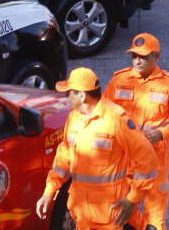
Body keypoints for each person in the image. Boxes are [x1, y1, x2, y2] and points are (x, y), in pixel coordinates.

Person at [34, 67, 159, 230]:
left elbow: (147, 159)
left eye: (69, 92)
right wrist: (48, 192)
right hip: (82, 214)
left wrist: (133, 198)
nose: (66, 97)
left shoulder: (116, 120)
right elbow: (64, 159)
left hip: (110, 217)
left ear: (82, 95)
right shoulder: (74, 117)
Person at [107, 35, 169, 230]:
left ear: (156, 56)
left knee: (155, 222)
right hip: (125, 163)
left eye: (143, 56)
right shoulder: (118, 80)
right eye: (134, 56)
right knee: (122, 218)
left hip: (155, 163)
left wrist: (162, 133)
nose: (137, 60)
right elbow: (104, 113)